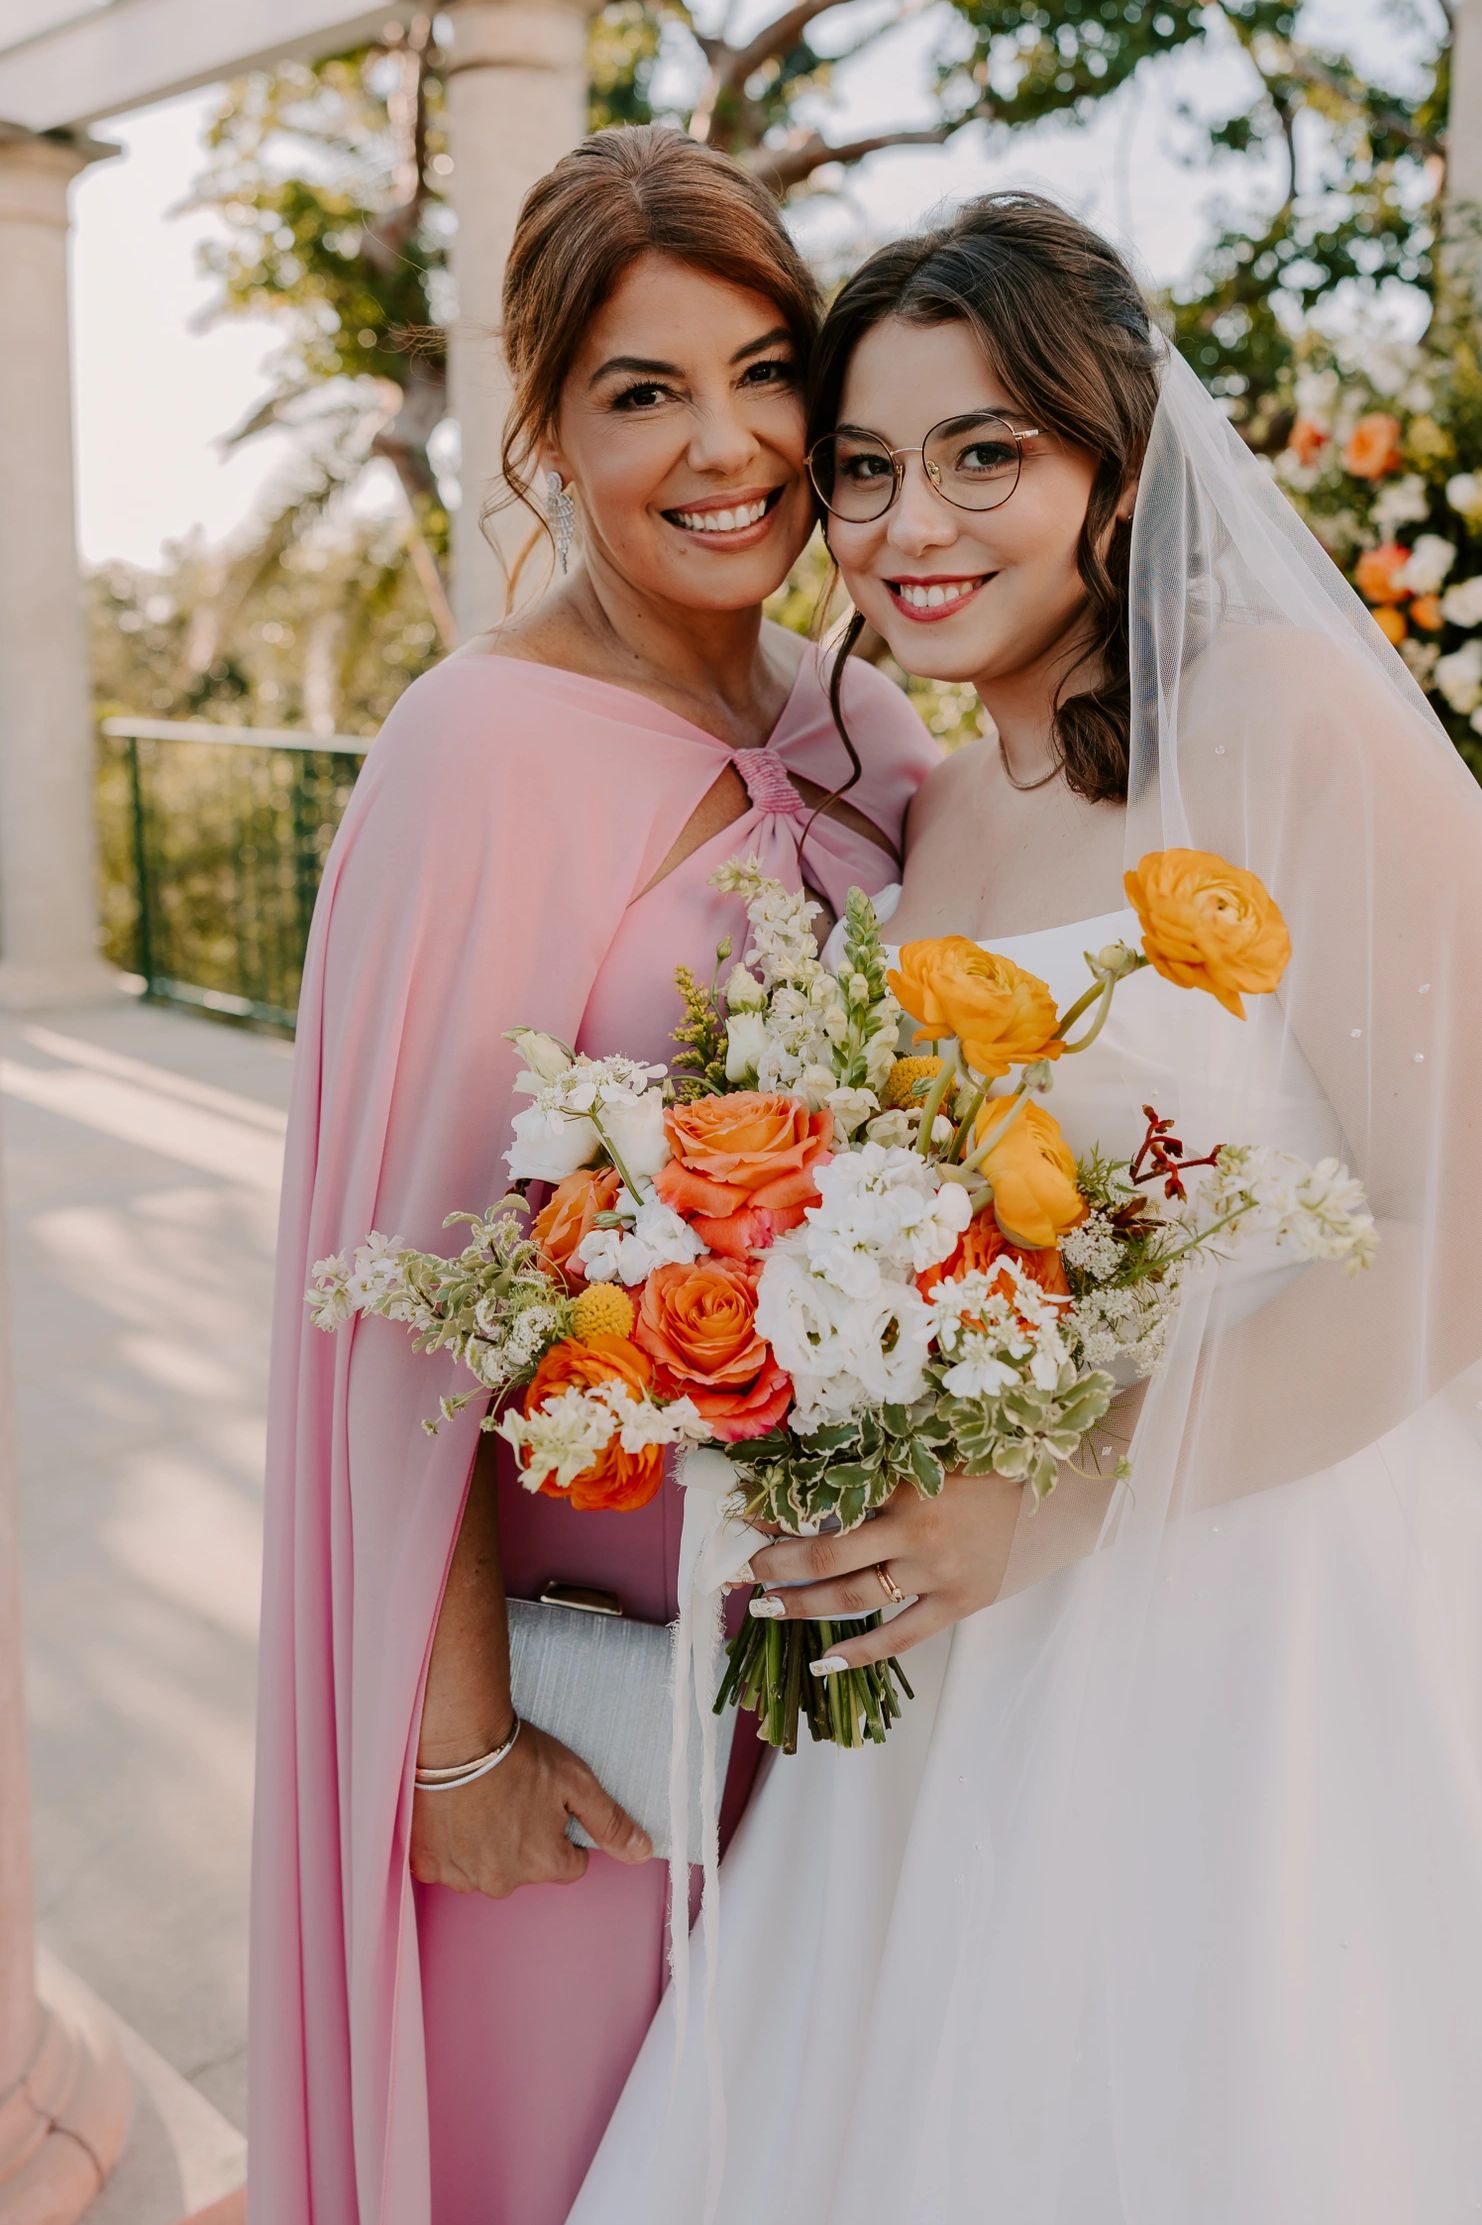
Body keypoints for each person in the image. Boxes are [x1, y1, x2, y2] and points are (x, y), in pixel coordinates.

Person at [570, 192, 1482, 2222]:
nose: (916, 524)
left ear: (1117, 466)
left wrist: (1060, 1492)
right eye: (872, 468)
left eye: (989, 452)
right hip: (972, 1617)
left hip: (1266, 1577)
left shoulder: (1279, 721)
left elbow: (1458, 1228)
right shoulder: (946, 798)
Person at [246, 125, 938, 2225]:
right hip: (574, 1680)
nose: (725, 446)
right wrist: (456, 1753)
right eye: (644, 392)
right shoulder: (477, 745)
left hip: (835, 1680)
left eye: (765, 371)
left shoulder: (878, 730)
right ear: (546, 429)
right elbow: (394, 1300)